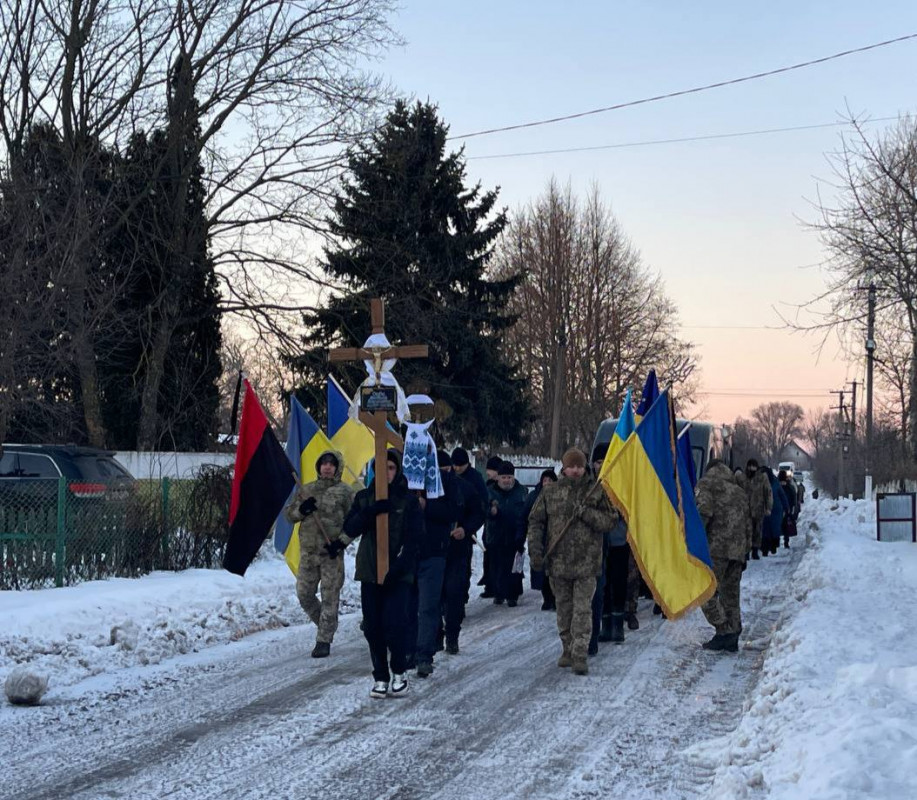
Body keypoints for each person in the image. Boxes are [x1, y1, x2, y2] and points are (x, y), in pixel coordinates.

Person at [528, 448, 619, 675]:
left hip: (586, 564)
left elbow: (610, 521)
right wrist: (535, 552)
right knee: (564, 610)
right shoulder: (550, 492)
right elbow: (536, 522)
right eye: (571, 466)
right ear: (564, 467)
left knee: (582, 610)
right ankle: (567, 648)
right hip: (558, 563)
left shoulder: (596, 492)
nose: (576, 470)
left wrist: (586, 513)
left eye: (579, 466)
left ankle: (580, 653)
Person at [342, 450, 423, 699]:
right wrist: (372, 511)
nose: (386, 472)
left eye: (391, 467)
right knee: (372, 626)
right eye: (382, 467)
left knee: (394, 624)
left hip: (398, 574)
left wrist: (398, 567)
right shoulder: (365, 497)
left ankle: (399, 670)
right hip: (370, 571)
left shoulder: (407, 500)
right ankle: (380, 676)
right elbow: (350, 527)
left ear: (397, 470)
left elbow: (415, 538)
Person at [283, 449, 355, 658]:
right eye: (323, 463)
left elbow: (355, 521)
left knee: (330, 596)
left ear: (337, 468)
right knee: (304, 594)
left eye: (331, 464)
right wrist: (301, 510)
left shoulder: (345, 492)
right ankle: (327, 624)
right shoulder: (306, 490)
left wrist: (341, 543)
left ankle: (323, 640)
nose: (327, 466)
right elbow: (289, 516)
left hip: (331, 554)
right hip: (308, 554)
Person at [695, 459, 752, 653]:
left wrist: (695, 543)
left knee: (705, 590)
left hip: (715, 549)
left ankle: (723, 630)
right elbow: (748, 523)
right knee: (731, 594)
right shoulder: (739, 491)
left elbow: (703, 512)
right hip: (737, 551)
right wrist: (746, 550)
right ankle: (733, 634)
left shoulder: (706, 485)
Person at [440, 452, 485, 655]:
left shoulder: (465, 488)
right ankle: (433, 636)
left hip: (458, 550)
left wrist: (466, 529)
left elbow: (478, 512)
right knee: (433, 596)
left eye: (445, 470)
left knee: (454, 593)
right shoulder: (425, 490)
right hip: (433, 551)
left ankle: (452, 635)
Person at [589, 444, 630, 650]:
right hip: (597, 543)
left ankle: (618, 625)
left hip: (618, 540)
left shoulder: (621, 483)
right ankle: (604, 625)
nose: (600, 465)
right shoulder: (590, 485)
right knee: (600, 584)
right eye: (597, 462)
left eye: (604, 461)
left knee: (618, 582)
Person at [485, 460, 528, 606]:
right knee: (497, 566)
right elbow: (483, 509)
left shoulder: (522, 491)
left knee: (514, 567)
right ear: (498, 478)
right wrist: (492, 512)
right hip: (496, 535)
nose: (506, 480)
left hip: (515, 534)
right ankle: (498, 593)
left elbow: (527, 511)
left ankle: (513, 595)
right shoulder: (490, 491)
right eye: (503, 477)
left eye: (509, 477)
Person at [525, 469, 558, 611]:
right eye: (545, 481)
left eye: (551, 481)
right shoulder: (534, 496)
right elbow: (528, 517)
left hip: (556, 538)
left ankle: (556, 598)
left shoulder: (559, 496)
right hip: (542, 538)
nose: (548, 483)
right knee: (543, 572)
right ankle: (547, 598)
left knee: (555, 572)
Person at [475, 455, 504, 597]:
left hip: (501, 529)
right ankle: (489, 583)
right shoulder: (488, 486)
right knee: (489, 556)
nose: (488, 473)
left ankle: (498, 585)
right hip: (489, 528)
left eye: (490, 470)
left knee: (498, 559)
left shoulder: (501, 486)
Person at [745, 459, 773, 560]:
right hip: (746, 509)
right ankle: (746, 552)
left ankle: (755, 550)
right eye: (750, 466)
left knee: (757, 531)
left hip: (758, 508)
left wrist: (768, 507)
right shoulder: (744, 477)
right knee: (746, 531)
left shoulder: (762, 478)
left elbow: (768, 492)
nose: (751, 468)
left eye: (753, 466)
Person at [762, 466, 787, 555]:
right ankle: (765, 549)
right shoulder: (760, 483)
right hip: (764, 509)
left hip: (775, 509)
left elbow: (782, 495)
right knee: (765, 530)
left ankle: (773, 547)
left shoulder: (775, 483)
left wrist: (786, 507)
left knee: (773, 529)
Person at [778, 469, 798, 549]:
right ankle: (786, 541)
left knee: (779, 525)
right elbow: (794, 497)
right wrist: (793, 506)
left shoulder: (777, 486)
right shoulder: (789, 486)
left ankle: (778, 541)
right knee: (786, 526)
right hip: (787, 508)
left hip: (780, 509)